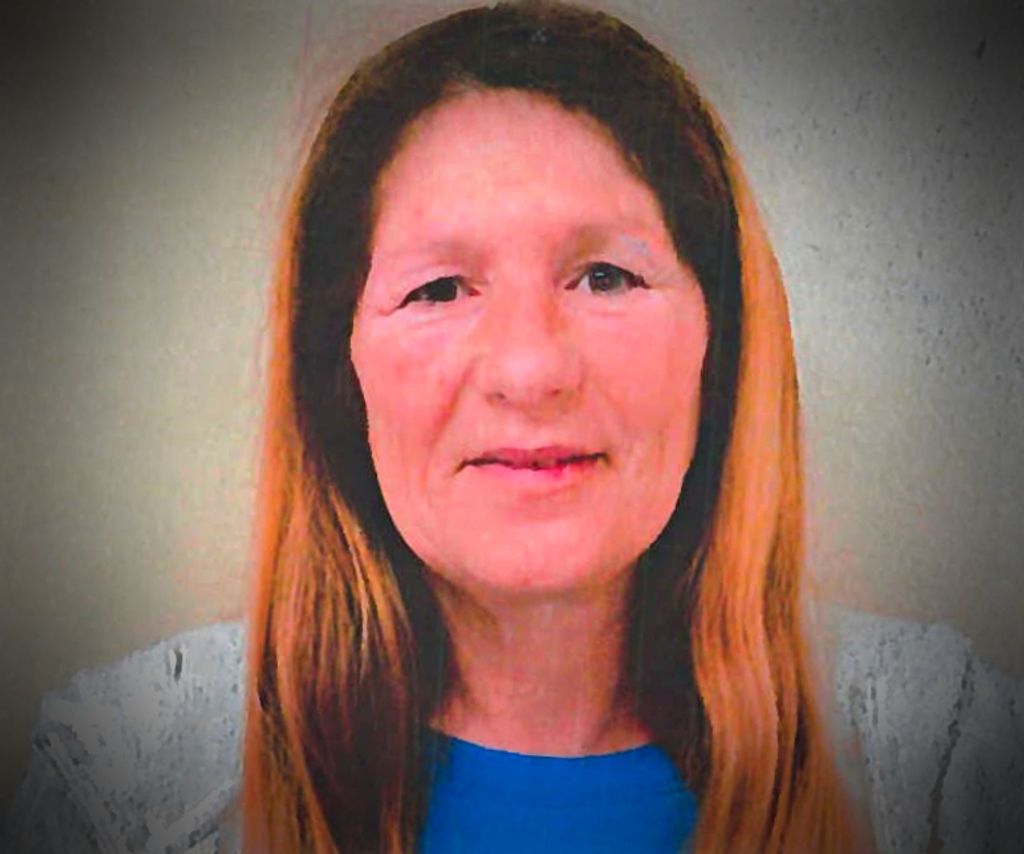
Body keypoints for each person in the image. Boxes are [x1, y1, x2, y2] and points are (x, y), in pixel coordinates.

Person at [3, 2, 1022, 852]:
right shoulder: (121, 782)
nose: (530, 370)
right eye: (439, 289)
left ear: (722, 344)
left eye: (606, 276)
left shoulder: (941, 762)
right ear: (338, 371)